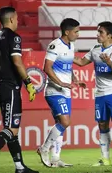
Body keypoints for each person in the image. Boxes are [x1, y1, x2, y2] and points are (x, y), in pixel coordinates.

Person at [0, 6, 38, 173]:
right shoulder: (13, 37)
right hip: (10, 87)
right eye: (16, 17)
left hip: (0, 87)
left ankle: (20, 167)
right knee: (11, 129)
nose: (18, 21)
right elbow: (17, 62)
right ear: (11, 19)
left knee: (12, 130)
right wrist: (28, 82)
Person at [73, 21, 112, 166]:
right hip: (100, 93)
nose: (98, 35)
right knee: (102, 124)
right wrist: (65, 54)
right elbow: (81, 62)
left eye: (101, 32)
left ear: (109, 35)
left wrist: (109, 62)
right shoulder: (95, 49)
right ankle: (105, 158)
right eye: (98, 32)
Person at [37, 18, 86, 167]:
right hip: (54, 90)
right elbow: (47, 67)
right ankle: (44, 149)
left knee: (61, 124)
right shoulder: (55, 45)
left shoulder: (71, 45)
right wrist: (61, 83)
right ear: (67, 32)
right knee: (65, 121)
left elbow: (68, 66)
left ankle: (56, 159)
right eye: (76, 31)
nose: (78, 34)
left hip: (65, 90)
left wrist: (75, 79)